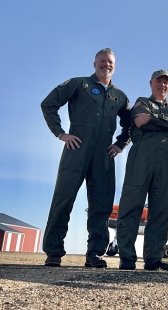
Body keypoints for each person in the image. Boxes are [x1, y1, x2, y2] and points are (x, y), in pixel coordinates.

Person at [41, 48, 131, 268]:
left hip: (104, 155)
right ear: (94, 64)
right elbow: (49, 104)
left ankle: (95, 254)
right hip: (76, 149)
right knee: (63, 199)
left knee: (101, 205)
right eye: (102, 61)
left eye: (110, 62)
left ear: (114, 66)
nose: (106, 65)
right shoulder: (78, 84)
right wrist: (61, 133)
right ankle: (54, 251)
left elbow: (131, 124)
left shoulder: (119, 96)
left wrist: (120, 144)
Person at [116, 69, 168, 271]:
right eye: (158, 81)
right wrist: (167, 125)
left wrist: (154, 120)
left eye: (166, 82)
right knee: (131, 205)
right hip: (141, 159)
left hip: (166, 162)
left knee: (162, 208)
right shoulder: (141, 103)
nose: (162, 85)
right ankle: (127, 257)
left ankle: (154, 258)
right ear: (151, 83)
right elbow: (140, 120)